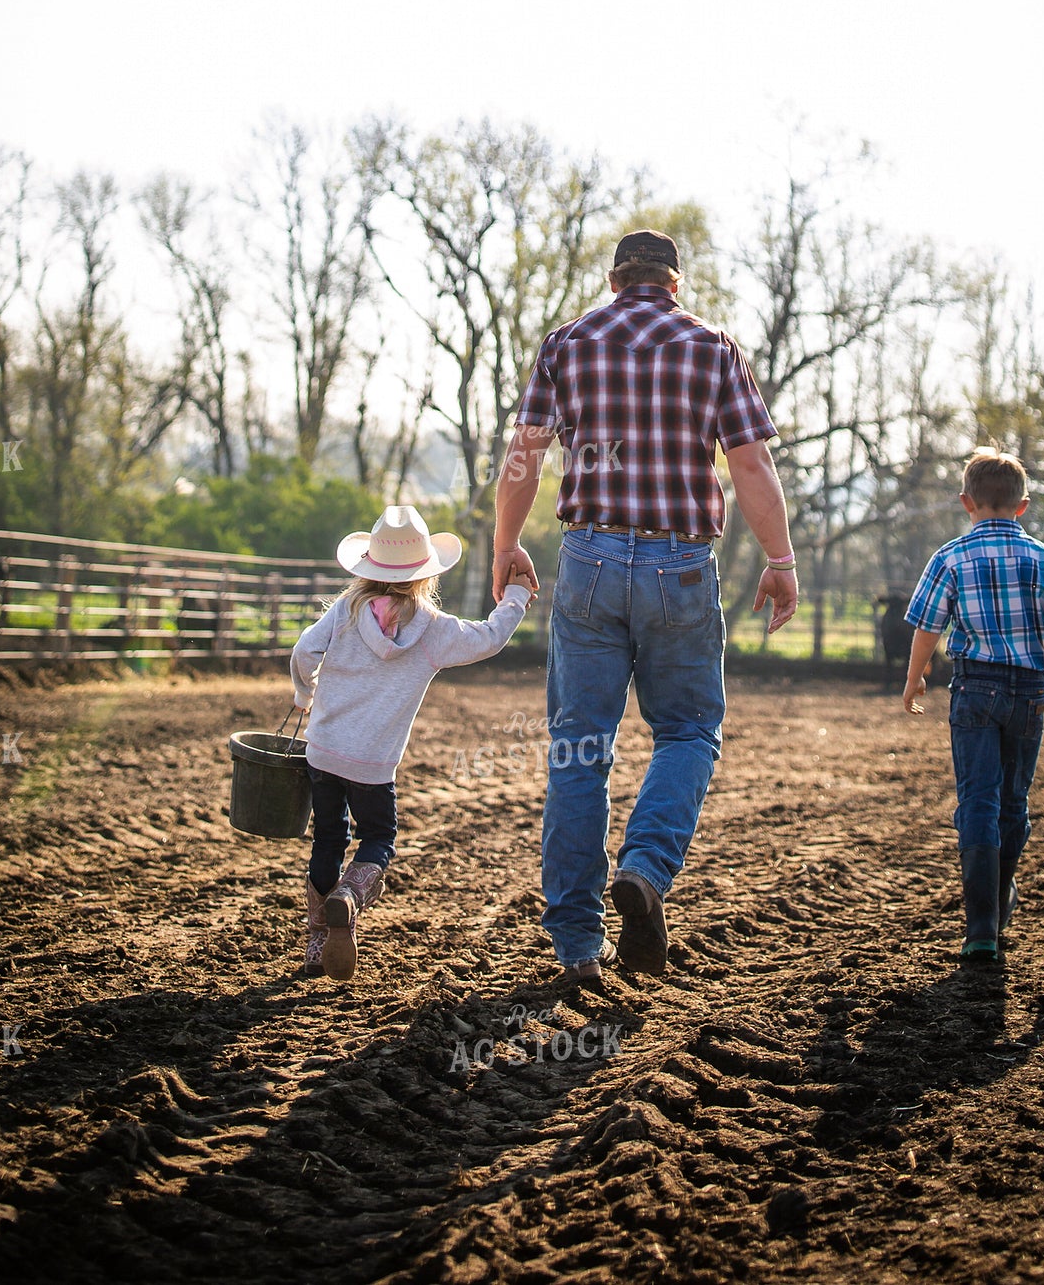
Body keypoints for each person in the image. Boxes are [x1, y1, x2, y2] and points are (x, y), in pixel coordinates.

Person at [494, 228, 797, 980]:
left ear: (612, 278)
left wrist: (504, 547)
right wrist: (781, 559)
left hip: (589, 558)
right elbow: (751, 462)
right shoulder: (713, 347)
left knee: (579, 748)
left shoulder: (567, 343)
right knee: (690, 731)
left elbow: (524, 456)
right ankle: (645, 871)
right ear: (674, 281)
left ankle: (574, 942)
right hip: (680, 565)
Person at [289, 504, 534, 981]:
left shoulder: (345, 611)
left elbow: (303, 651)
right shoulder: (434, 630)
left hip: (323, 750)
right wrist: (517, 596)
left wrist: (304, 692)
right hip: (373, 764)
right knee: (378, 836)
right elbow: (489, 638)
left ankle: (317, 943)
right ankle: (351, 896)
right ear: (425, 574)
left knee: (327, 837)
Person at [901, 447, 1044, 959]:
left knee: (978, 800)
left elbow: (927, 628)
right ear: (1023, 506)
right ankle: (1002, 896)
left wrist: (915, 678)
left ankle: (981, 927)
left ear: (967, 502)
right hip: (1029, 691)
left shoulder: (949, 557)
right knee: (1014, 801)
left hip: (974, 688)